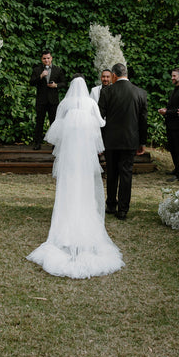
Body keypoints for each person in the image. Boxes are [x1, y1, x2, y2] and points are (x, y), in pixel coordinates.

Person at [26, 77, 124, 278]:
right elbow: (101, 123)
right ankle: (85, 211)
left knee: (68, 185)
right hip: (85, 158)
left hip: (70, 157)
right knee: (85, 185)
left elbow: (57, 128)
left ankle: (67, 214)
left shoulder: (65, 104)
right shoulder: (90, 104)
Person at [98, 63, 147, 220]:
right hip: (130, 139)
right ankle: (123, 209)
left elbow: (99, 118)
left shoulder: (107, 92)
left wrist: (99, 139)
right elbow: (143, 120)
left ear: (114, 75)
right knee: (126, 174)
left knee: (111, 172)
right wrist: (142, 142)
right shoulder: (140, 92)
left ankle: (111, 204)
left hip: (110, 140)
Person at [29, 49, 67, 150]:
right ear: (42, 59)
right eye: (44, 58)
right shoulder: (37, 70)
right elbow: (31, 82)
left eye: (48, 58)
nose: (46, 60)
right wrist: (40, 76)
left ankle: (55, 144)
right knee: (39, 122)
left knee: (54, 122)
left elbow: (64, 83)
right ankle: (37, 143)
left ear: (51, 58)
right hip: (41, 100)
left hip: (53, 101)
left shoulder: (58, 70)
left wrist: (56, 85)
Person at [158, 68, 179, 181]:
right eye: (172, 76)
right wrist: (166, 110)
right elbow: (173, 106)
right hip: (171, 124)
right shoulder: (175, 90)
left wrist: (167, 112)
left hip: (178, 125)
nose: (172, 78)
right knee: (172, 148)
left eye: (174, 76)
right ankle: (176, 169)